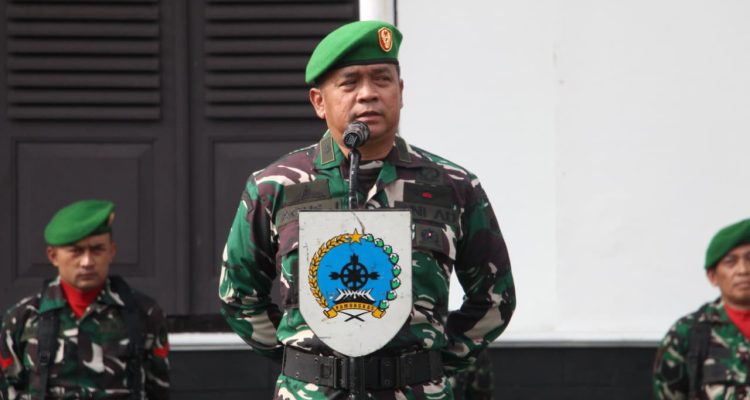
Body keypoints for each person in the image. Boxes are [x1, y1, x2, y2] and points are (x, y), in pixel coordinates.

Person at [218, 20, 515, 399]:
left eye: (381, 79)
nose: (368, 94)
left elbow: (495, 298)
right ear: (319, 102)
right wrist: (305, 361)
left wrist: (429, 362)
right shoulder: (276, 187)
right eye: (349, 83)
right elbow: (238, 295)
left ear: (401, 91)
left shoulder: (453, 186)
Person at [0, 199, 170, 399]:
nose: (87, 262)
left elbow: (158, 389)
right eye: (76, 251)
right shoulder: (22, 318)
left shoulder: (144, 314)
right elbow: (7, 388)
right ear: (53, 256)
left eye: (97, 249)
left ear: (111, 252)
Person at [653, 218, 750, 399]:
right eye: (731, 262)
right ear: (713, 276)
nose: (743, 270)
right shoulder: (688, 333)